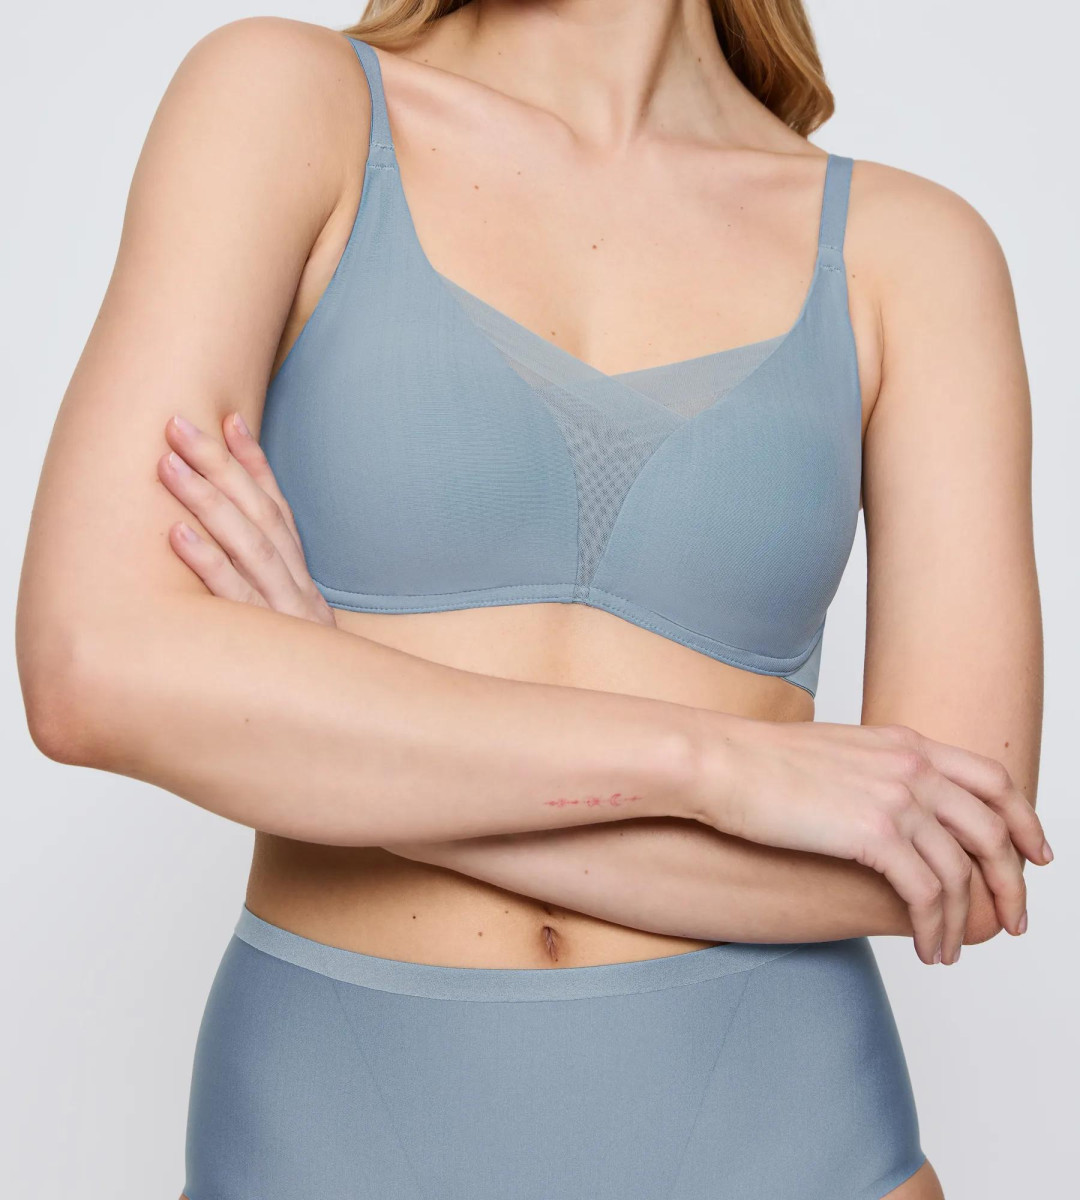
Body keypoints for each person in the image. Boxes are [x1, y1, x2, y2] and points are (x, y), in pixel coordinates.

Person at [16, 2, 1052, 1198]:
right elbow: (91, 669)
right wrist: (712, 765)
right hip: (331, 1127)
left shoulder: (909, 251)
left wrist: (347, 727)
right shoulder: (288, 104)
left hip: (788, 1129)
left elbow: (956, 856)